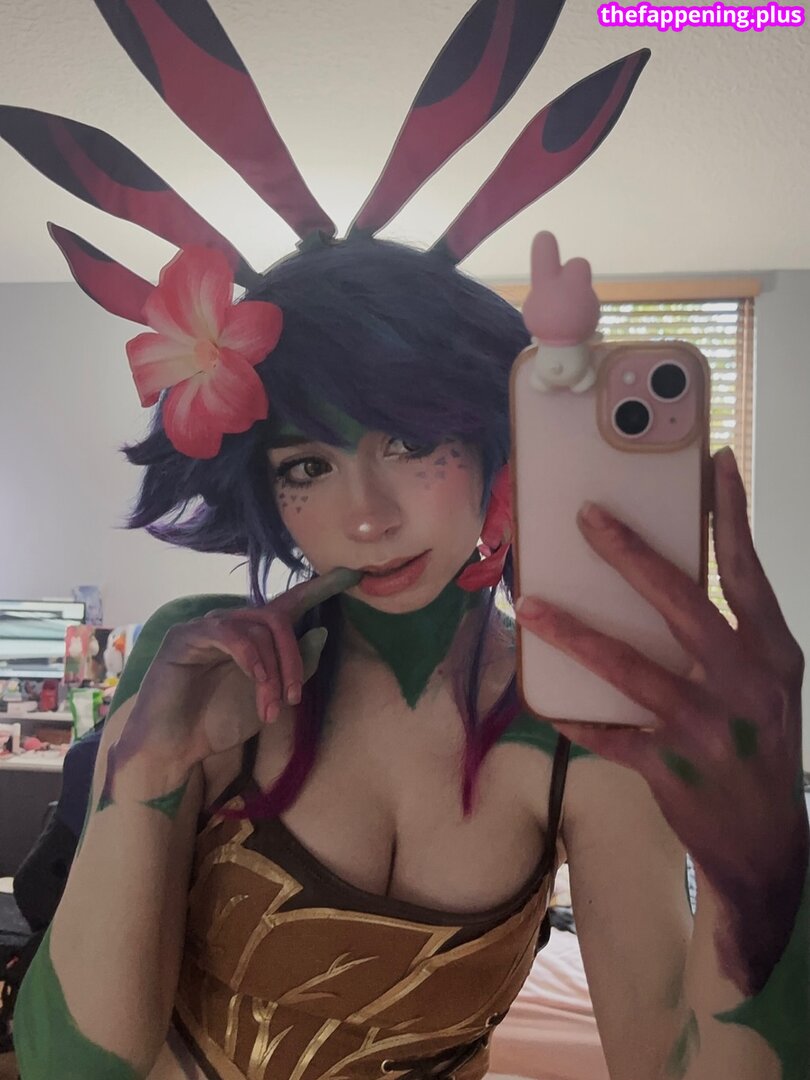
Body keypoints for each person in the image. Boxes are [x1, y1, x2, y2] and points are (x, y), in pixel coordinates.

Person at [2, 3, 807, 1079]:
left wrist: (765, 871)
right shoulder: (206, 662)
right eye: (306, 466)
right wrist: (147, 763)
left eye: (412, 441)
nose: (367, 516)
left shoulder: (585, 731)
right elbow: (70, 1070)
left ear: (493, 439)